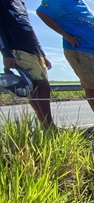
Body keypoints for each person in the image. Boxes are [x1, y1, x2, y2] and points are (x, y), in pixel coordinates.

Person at [37, 0, 94, 128]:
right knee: (91, 86)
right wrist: (66, 36)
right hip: (80, 50)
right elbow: (41, 12)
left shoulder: (82, 2)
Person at [0, 0, 55, 130]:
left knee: (37, 89)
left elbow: (30, 28)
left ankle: (46, 126)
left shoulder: (21, 3)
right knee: (42, 86)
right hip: (17, 49)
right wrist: (6, 53)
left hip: (34, 50)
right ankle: (49, 126)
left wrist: (42, 54)